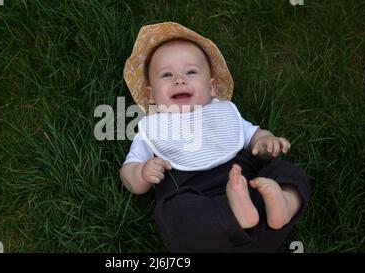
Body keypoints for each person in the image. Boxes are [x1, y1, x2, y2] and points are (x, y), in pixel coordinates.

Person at [120, 22, 311, 252]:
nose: (179, 80)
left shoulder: (223, 112)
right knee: (173, 211)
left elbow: (253, 135)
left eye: (191, 72)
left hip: (253, 197)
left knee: (287, 172)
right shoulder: (152, 129)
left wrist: (264, 142)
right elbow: (128, 175)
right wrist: (141, 173)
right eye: (167, 74)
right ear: (151, 95)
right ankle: (237, 215)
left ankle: (283, 204)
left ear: (212, 88)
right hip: (203, 214)